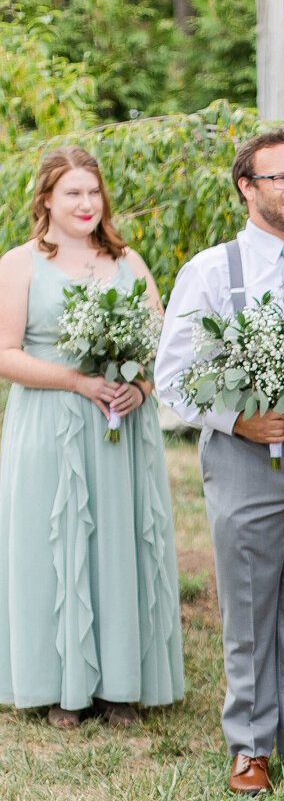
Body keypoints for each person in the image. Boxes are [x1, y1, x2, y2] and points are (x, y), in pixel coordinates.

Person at [155, 128, 284, 795]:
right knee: (248, 608)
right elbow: (172, 377)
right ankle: (248, 747)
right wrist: (237, 418)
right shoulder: (210, 271)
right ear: (247, 187)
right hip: (244, 460)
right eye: (281, 179)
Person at [0, 146, 184, 729]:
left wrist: (143, 387)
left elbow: (162, 346)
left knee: (120, 543)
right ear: (46, 198)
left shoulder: (129, 261)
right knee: (55, 546)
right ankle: (60, 687)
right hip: (51, 422)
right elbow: (4, 355)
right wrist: (78, 383)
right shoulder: (21, 262)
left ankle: (121, 684)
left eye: (93, 192)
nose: (85, 203)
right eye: (72, 192)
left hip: (120, 429)